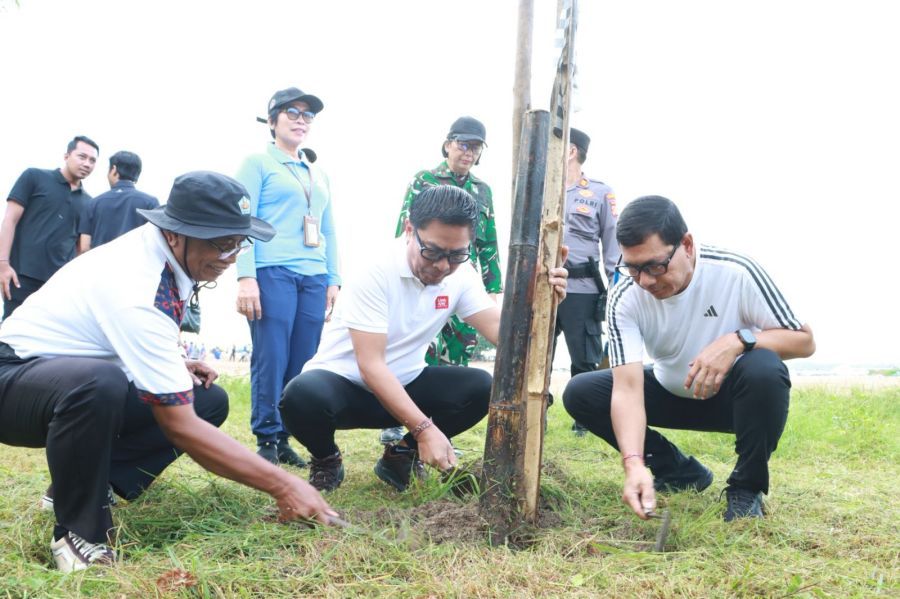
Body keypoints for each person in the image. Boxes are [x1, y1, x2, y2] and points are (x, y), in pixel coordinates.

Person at [0, 171, 336, 572]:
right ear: (175, 234)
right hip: (14, 381)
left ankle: (86, 484)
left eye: (237, 244)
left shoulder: (163, 258)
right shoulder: (136, 281)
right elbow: (179, 427)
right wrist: (285, 485)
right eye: (221, 244)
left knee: (208, 398)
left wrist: (174, 363)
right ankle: (78, 531)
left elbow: (106, 339)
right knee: (99, 383)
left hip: (57, 377)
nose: (230, 259)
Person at [280, 185, 568, 493]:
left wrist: (541, 303)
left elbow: (505, 336)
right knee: (301, 396)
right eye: (432, 251)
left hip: (408, 383)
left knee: (480, 387)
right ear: (409, 229)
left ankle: (400, 455)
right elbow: (371, 365)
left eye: (456, 254)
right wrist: (424, 429)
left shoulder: (461, 274)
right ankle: (326, 459)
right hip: (345, 388)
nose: (443, 266)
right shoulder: (375, 270)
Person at [562, 195, 815, 522]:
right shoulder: (625, 295)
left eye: (655, 266)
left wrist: (739, 340)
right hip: (671, 391)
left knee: (764, 367)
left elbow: (804, 341)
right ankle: (677, 470)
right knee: (582, 391)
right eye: (634, 268)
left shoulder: (735, 273)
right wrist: (634, 462)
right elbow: (627, 389)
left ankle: (746, 489)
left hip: (736, 399)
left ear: (687, 245)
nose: (646, 281)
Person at [235, 87, 341, 467]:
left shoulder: (317, 172)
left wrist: (334, 278)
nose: (301, 120)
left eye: (308, 115)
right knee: (272, 355)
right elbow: (242, 222)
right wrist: (246, 277)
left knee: (304, 359)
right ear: (273, 119)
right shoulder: (257, 163)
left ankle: (285, 436)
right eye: (293, 113)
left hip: (313, 274)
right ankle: (266, 436)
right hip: (272, 270)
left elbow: (327, 228)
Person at [380, 116, 502, 446]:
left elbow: (488, 242)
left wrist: (493, 289)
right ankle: (397, 418)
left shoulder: (482, 190)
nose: (469, 152)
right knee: (416, 349)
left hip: (463, 279)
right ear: (448, 144)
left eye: (476, 147)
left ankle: (436, 428)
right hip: (423, 274)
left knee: (459, 351)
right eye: (463, 144)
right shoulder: (424, 180)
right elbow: (404, 228)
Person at [553, 127, 620, 436]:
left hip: (582, 289)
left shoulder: (599, 192)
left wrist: (617, 285)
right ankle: (537, 409)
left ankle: (584, 420)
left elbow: (611, 243)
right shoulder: (543, 188)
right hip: (544, 288)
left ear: (572, 151)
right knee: (538, 357)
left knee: (584, 359)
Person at [0, 135, 99, 318]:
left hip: (57, 286)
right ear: (66, 156)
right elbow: (9, 220)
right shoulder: (34, 177)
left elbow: (80, 248)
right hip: (20, 276)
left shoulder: (89, 203)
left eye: (93, 160)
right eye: (82, 157)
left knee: (44, 342)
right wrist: (3, 265)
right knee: (10, 339)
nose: (87, 164)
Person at [78, 150, 160, 251]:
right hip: (137, 265)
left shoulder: (92, 204)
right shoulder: (150, 202)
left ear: (114, 169)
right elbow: (156, 242)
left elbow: (84, 247)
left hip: (100, 265)